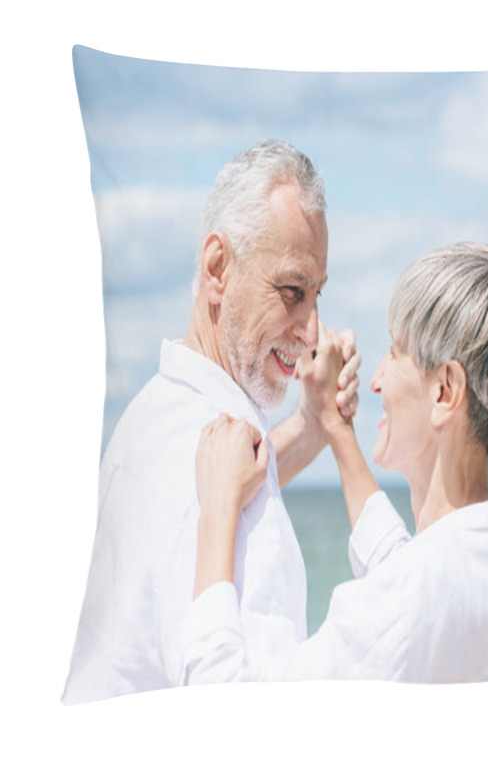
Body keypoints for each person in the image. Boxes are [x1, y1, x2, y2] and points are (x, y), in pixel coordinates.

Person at [172, 242, 488, 684]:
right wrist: (333, 424)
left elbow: (221, 702)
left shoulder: (409, 598)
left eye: (394, 351)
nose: (375, 379)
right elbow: (398, 563)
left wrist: (218, 511)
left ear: (445, 390)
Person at [62, 139, 366, 704]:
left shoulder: (156, 416)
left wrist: (314, 425)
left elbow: (246, 463)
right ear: (218, 268)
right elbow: (242, 721)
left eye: (317, 295)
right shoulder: (239, 513)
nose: (312, 329)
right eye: (292, 291)